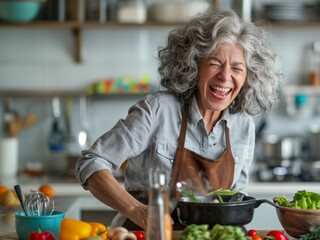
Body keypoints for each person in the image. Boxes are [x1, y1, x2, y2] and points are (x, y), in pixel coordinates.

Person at [75, 9, 282, 230]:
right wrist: (136, 211)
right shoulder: (157, 110)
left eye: (236, 68)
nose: (225, 76)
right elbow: (91, 163)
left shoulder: (243, 125)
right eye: (214, 63)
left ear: (248, 77)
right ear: (194, 66)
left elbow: (235, 198)